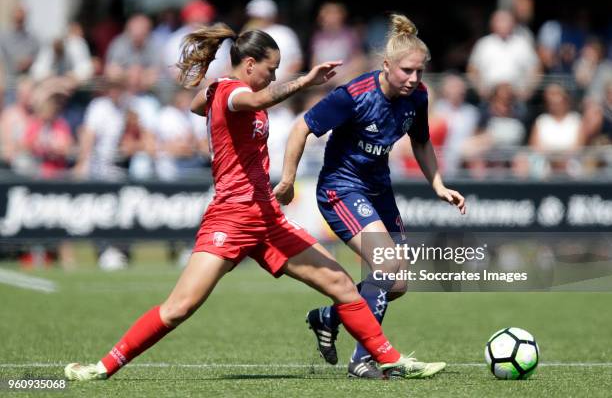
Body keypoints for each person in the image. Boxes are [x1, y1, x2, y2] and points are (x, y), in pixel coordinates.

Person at [64, 23, 445, 382]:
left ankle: (389, 359)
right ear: (249, 64)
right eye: (270, 68)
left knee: (341, 284)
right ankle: (102, 367)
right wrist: (305, 81)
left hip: (267, 218)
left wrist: (211, 105)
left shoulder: (219, 92)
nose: (274, 76)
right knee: (180, 307)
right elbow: (260, 96)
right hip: (231, 217)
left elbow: (201, 105)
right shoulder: (233, 93)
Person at [274, 14, 465, 379]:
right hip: (341, 189)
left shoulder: (418, 97)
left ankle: (328, 316)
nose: (414, 79)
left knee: (396, 284)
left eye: (420, 72)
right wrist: (287, 180)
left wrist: (438, 184)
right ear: (387, 65)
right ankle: (363, 359)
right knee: (388, 265)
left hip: (379, 191)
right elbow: (301, 128)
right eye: (407, 71)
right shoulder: (354, 96)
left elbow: (421, 141)